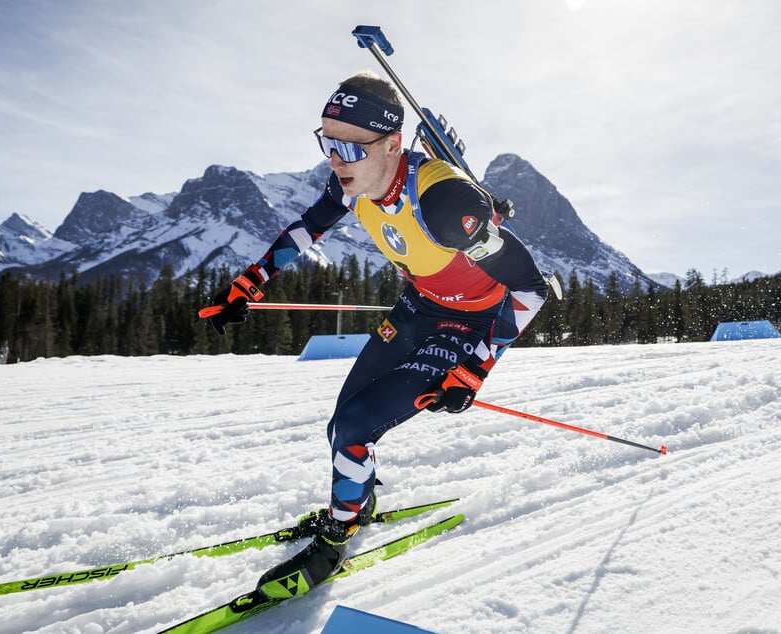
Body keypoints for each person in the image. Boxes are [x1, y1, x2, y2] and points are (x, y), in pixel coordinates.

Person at [201, 71, 550, 599]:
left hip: (469, 323)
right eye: (326, 141)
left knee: (357, 425)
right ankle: (358, 501)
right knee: (340, 427)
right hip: (415, 309)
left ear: (391, 144)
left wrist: (476, 368)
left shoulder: (442, 202)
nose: (334, 159)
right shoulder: (355, 182)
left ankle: (337, 539)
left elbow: (531, 289)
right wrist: (249, 282)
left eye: (347, 146)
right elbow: (306, 227)